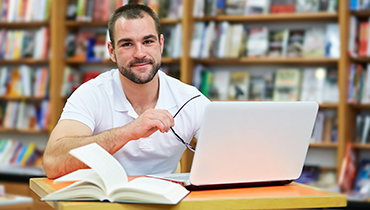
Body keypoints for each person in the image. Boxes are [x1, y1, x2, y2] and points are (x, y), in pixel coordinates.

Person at [43, 3, 210, 179]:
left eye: (148, 42)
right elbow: (53, 163)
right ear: (112, 51)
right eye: (127, 44)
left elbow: (233, 154)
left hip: (168, 202)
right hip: (105, 203)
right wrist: (129, 132)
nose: (139, 53)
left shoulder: (190, 99)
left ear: (160, 45)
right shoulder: (91, 94)